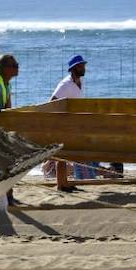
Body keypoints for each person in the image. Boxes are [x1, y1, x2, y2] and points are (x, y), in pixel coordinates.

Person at [47, 54, 89, 192]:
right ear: (73, 68)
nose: (83, 68)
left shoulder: (80, 82)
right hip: (63, 122)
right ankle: (61, 184)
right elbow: (52, 101)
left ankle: (65, 182)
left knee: (67, 152)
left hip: (74, 123)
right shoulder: (65, 84)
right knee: (62, 153)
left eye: (83, 65)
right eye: (80, 66)